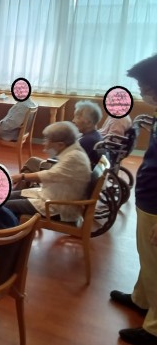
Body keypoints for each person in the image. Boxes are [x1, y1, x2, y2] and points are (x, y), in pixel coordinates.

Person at [110, 54, 157, 345]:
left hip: (156, 205)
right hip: (148, 196)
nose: (141, 93)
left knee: (156, 262)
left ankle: (154, 329)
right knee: (147, 257)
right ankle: (142, 299)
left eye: (144, 88)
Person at [5, 121, 91, 222]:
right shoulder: (74, 150)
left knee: (3, 205)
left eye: (47, 140)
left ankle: (10, 227)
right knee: (5, 197)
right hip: (50, 195)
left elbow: (50, 175)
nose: (44, 143)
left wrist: (22, 176)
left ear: (60, 144)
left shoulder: (74, 158)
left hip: (57, 206)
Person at [72, 100, 104, 167]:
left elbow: (70, 162)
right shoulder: (95, 135)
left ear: (89, 123)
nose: (73, 120)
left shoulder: (87, 141)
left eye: (77, 118)